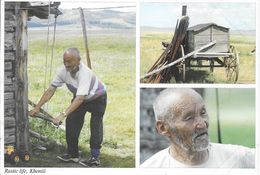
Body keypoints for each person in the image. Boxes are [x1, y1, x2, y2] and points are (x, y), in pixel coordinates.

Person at [29, 48, 107, 167]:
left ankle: (94, 158)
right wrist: (37, 108)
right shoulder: (62, 71)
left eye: (69, 61)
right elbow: (50, 90)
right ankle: (73, 155)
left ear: (78, 60)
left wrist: (62, 114)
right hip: (80, 98)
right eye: (65, 61)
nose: (66, 64)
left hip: (98, 98)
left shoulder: (85, 73)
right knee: (71, 123)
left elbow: (80, 98)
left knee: (95, 125)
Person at [140, 88, 255, 168]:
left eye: (203, 112)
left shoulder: (239, 158)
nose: (203, 124)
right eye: (189, 118)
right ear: (163, 128)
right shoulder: (151, 168)